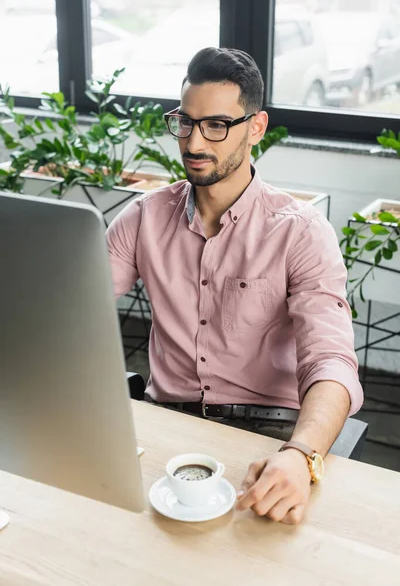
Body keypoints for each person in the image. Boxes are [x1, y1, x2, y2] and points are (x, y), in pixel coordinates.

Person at [106, 47, 363, 525]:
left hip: (270, 432)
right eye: (185, 122)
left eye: (217, 125)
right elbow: (74, 304)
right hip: (168, 421)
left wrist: (300, 454)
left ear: (256, 128)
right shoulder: (143, 217)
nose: (195, 142)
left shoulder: (300, 232)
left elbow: (331, 361)